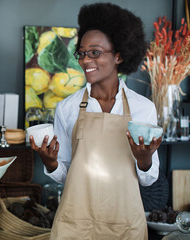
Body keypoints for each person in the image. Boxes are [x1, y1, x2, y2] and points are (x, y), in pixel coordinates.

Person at [30, 3, 162, 239]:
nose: (85, 60)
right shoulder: (67, 108)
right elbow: (65, 173)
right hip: (76, 223)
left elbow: (148, 179)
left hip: (124, 225)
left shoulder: (144, 109)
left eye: (95, 52)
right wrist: (50, 163)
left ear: (119, 55)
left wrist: (145, 160)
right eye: (81, 53)